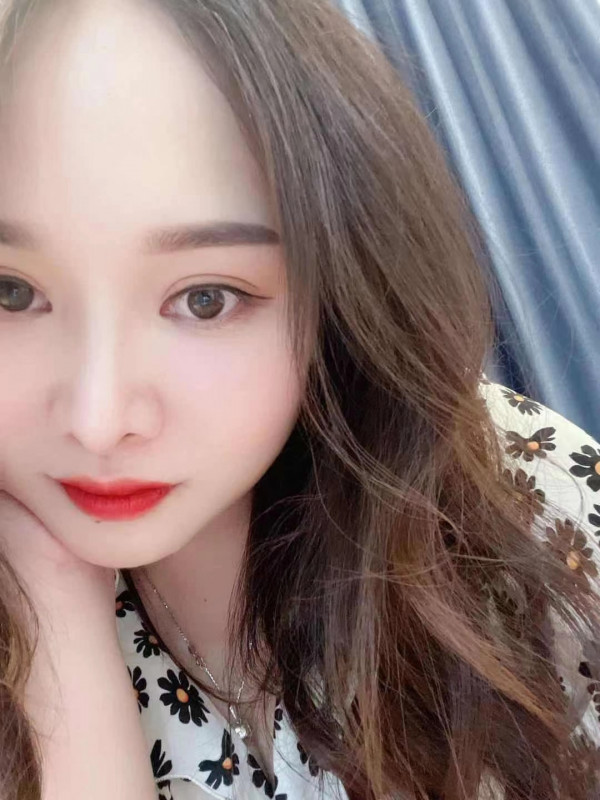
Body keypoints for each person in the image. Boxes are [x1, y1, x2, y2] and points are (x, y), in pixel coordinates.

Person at [0, 0, 598, 798]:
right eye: (10, 291)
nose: (97, 421)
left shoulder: (533, 500)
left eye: (207, 298)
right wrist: (58, 634)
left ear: (341, 287)